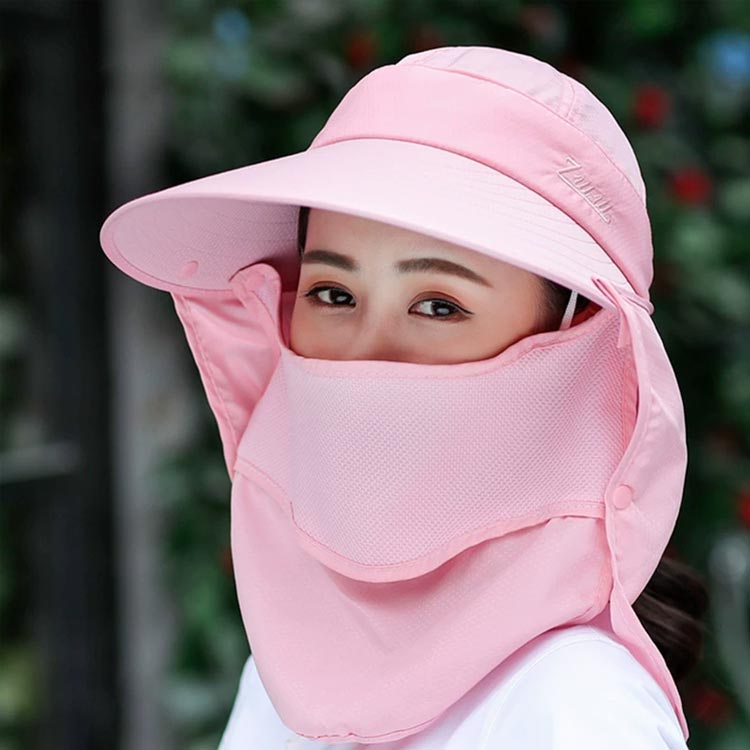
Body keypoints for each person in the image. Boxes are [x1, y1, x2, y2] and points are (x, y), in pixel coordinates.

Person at [99, 45, 708, 748]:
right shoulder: (289, 673)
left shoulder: (573, 707)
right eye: (333, 294)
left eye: (439, 306)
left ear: (576, 349)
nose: (366, 354)